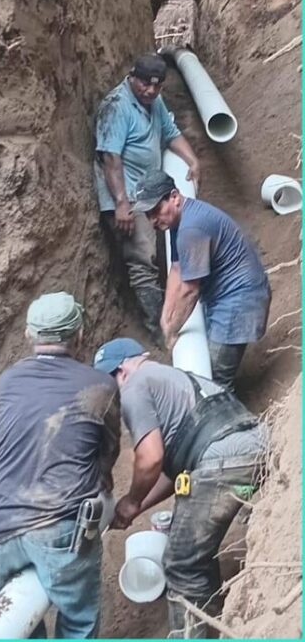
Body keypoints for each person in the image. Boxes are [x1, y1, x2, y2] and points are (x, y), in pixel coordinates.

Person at [93, 338, 267, 638]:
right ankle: (216, 620)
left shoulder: (135, 385)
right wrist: (136, 506)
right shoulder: (178, 378)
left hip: (221, 464)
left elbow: (150, 458)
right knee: (196, 554)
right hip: (255, 451)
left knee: (181, 565)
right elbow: (176, 471)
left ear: (121, 370)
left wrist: (132, 500)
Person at [0, 292, 120, 638]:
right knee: (79, 619)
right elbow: (108, 451)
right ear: (80, 335)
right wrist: (103, 488)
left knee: (17, 625)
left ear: (30, 335)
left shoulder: (7, 381)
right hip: (59, 524)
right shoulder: (100, 385)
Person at [93, 53, 201, 341]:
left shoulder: (154, 102)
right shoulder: (116, 107)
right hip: (126, 197)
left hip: (148, 192)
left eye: (157, 86)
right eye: (145, 84)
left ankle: (168, 313)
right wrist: (121, 205)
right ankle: (158, 331)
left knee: (159, 253)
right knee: (143, 259)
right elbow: (110, 158)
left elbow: (171, 132)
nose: (151, 91)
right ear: (132, 77)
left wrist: (192, 160)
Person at [132, 170, 271, 389]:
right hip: (227, 295)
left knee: (213, 381)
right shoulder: (175, 222)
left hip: (240, 301)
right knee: (209, 365)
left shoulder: (191, 229)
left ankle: (229, 420)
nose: (152, 220)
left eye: (155, 210)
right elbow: (176, 269)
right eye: (147, 214)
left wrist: (172, 330)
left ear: (175, 197)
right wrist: (165, 319)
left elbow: (189, 291)